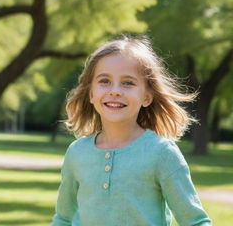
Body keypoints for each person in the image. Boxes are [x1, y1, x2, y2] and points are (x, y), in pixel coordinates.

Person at [51, 36, 212, 226]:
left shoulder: (161, 153)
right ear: (91, 93)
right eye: (104, 81)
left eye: (128, 83)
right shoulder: (77, 152)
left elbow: (195, 222)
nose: (115, 91)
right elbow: (63, 218)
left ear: (147, 97)